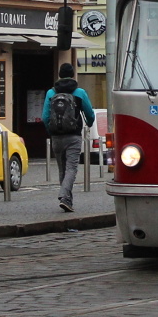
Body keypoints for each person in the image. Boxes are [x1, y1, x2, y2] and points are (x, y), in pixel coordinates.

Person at [41, 63, 95, 212]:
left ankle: (67, 201)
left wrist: (51, 131)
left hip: (56, 137)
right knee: (71, 168)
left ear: (59, 74)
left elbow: (45, 117)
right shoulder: (80, 92)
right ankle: (64, 196)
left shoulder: (51, 93)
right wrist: (89, 124)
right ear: (73, 74)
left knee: (62, 170)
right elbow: (90, 114)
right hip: (74, 136)